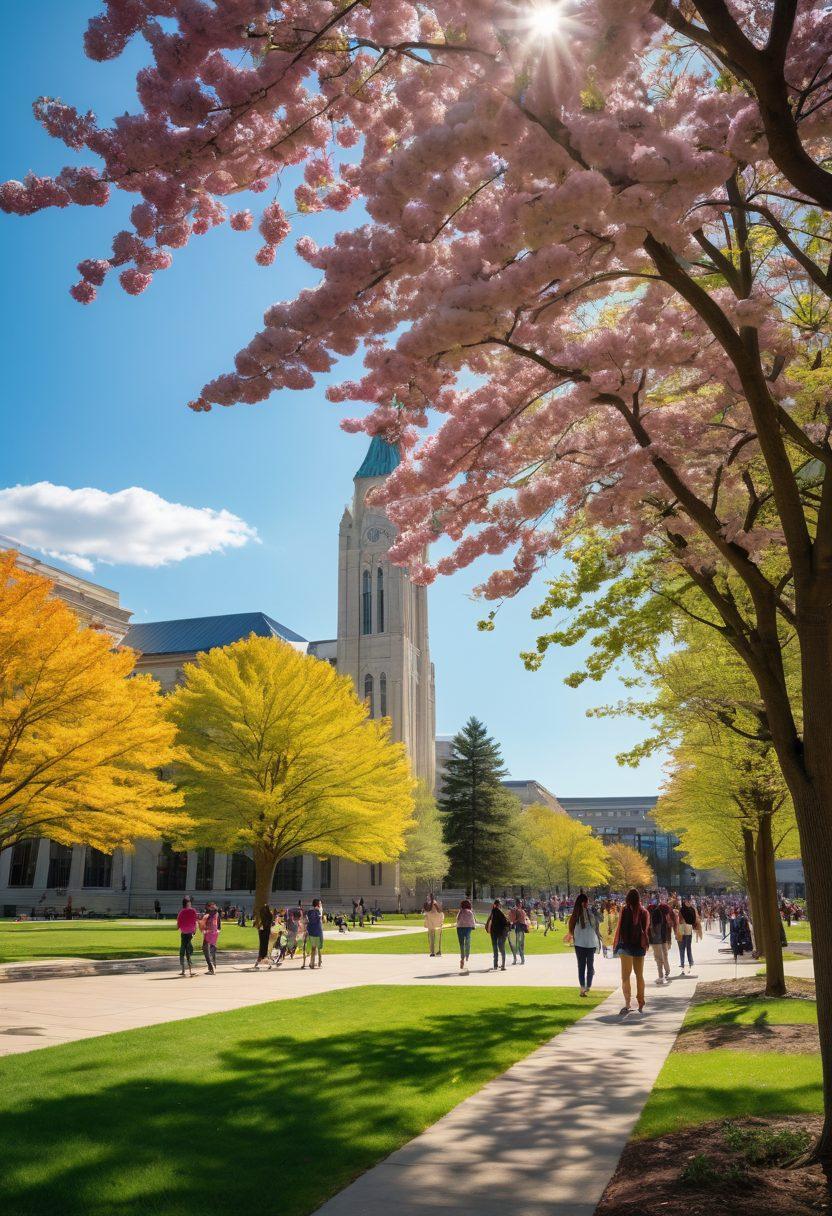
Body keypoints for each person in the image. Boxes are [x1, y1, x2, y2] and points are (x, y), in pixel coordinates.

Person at [613, 888, 650, 1015]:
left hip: (626, 947)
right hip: (639, 947)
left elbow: (620, 927)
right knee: (639, 975)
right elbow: (645, 930)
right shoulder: (644, 912)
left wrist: (617, 943)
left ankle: (628, 1002)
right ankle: (641, 1000)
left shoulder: (624, 910)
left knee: (625, 976)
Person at [565, 892, 601, 996]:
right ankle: (585, 986)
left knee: (584, 966)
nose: (588, 903)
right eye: (587, 902)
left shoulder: (582, 914)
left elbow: (595, 925)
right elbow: (595, 925)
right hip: (586, 943)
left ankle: (584, 987)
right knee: (588, 966)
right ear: (583, 902)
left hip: (584, 944)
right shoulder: (581, 915)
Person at [648, 899, 672, 984]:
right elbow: (668, 928)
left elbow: (653, 928)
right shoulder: (665, 915)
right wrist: (669, 940)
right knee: (665, 956)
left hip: (656, 940)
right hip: (664, 938)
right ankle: (667, 972)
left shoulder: (654, 913)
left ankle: (661, 976)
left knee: (658, 958)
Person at [485, 899, 511, 971]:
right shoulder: (499, 912)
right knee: (502, 948)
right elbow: (505, 922)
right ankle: (503, 965)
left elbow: (489, 921)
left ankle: (495, 965)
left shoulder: (492, 912)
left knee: (495, 948)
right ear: (499, 904)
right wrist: (509, 923)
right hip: (499, 933)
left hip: (493, 932)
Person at [177, 896, 198, 977]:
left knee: (188, 951)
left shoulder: (190, 911)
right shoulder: (185, 911)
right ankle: (184, 970)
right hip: (185, 934)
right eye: (188, 903)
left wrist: (194, 931)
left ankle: (189, 970)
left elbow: (194, 921)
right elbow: (179, 922)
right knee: (183, 951)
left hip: (189, 934)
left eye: (190, 903)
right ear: (185, 904)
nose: (190, 904)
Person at [678, 895, 698, 974]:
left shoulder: (692, 909)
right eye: (689, 901)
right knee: (682, 947)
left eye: (691, 901)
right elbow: (679, 920)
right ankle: (682, 963)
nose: (690, 903)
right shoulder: (681, 909)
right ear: (686, 901)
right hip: (682, 928)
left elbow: (693, 921)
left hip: (688, 928)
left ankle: (690, 962)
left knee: (688, 947)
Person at [199, 902, 222, 974]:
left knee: (205, 948)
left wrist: (200, 924)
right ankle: (213, 964)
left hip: (209, 933)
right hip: (215, 933)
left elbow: (202, 925)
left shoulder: (207, 915)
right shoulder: (217, 913)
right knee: (212, 947)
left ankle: (211, 967)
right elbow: (219, 924)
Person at [456, 898, 476, 971]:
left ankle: (462, 958)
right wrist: (474, 927)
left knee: (461, 944)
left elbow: (457, 919)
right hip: (467, 928)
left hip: (460, 928)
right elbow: (472, 920)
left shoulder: (460, 912)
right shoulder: (470, 912)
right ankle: (467, 955)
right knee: (467, 942)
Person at [509, 898, 530, 965]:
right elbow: (511, 919)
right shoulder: (519, 911)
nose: (520, 904)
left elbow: (512, 919)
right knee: (518, 944)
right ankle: (519, 959)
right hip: (517, 929)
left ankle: (520, 959)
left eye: (520, 903)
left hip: (517, 929)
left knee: (516, 945)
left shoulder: (518, 911)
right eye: (520, 903)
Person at [305, 898, 325, 969]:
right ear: (318, 904)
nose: (321, 904)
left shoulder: (309, 911)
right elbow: (320, 921)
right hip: (318, 931)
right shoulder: (318, 911)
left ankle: (312, 963)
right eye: (320, 903)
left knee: (313, 948)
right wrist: (321, 911)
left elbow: (308, 921)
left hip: (311, 932)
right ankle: (320, 962)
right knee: (319, 948)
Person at [253, 904, 274, 970]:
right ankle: (262, 959)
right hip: (266, 932)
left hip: (263, 932)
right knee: (264, 946)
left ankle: (261, 959)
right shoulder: (269, 916)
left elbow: (261, 914)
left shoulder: (265, 916)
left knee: (262, 946)